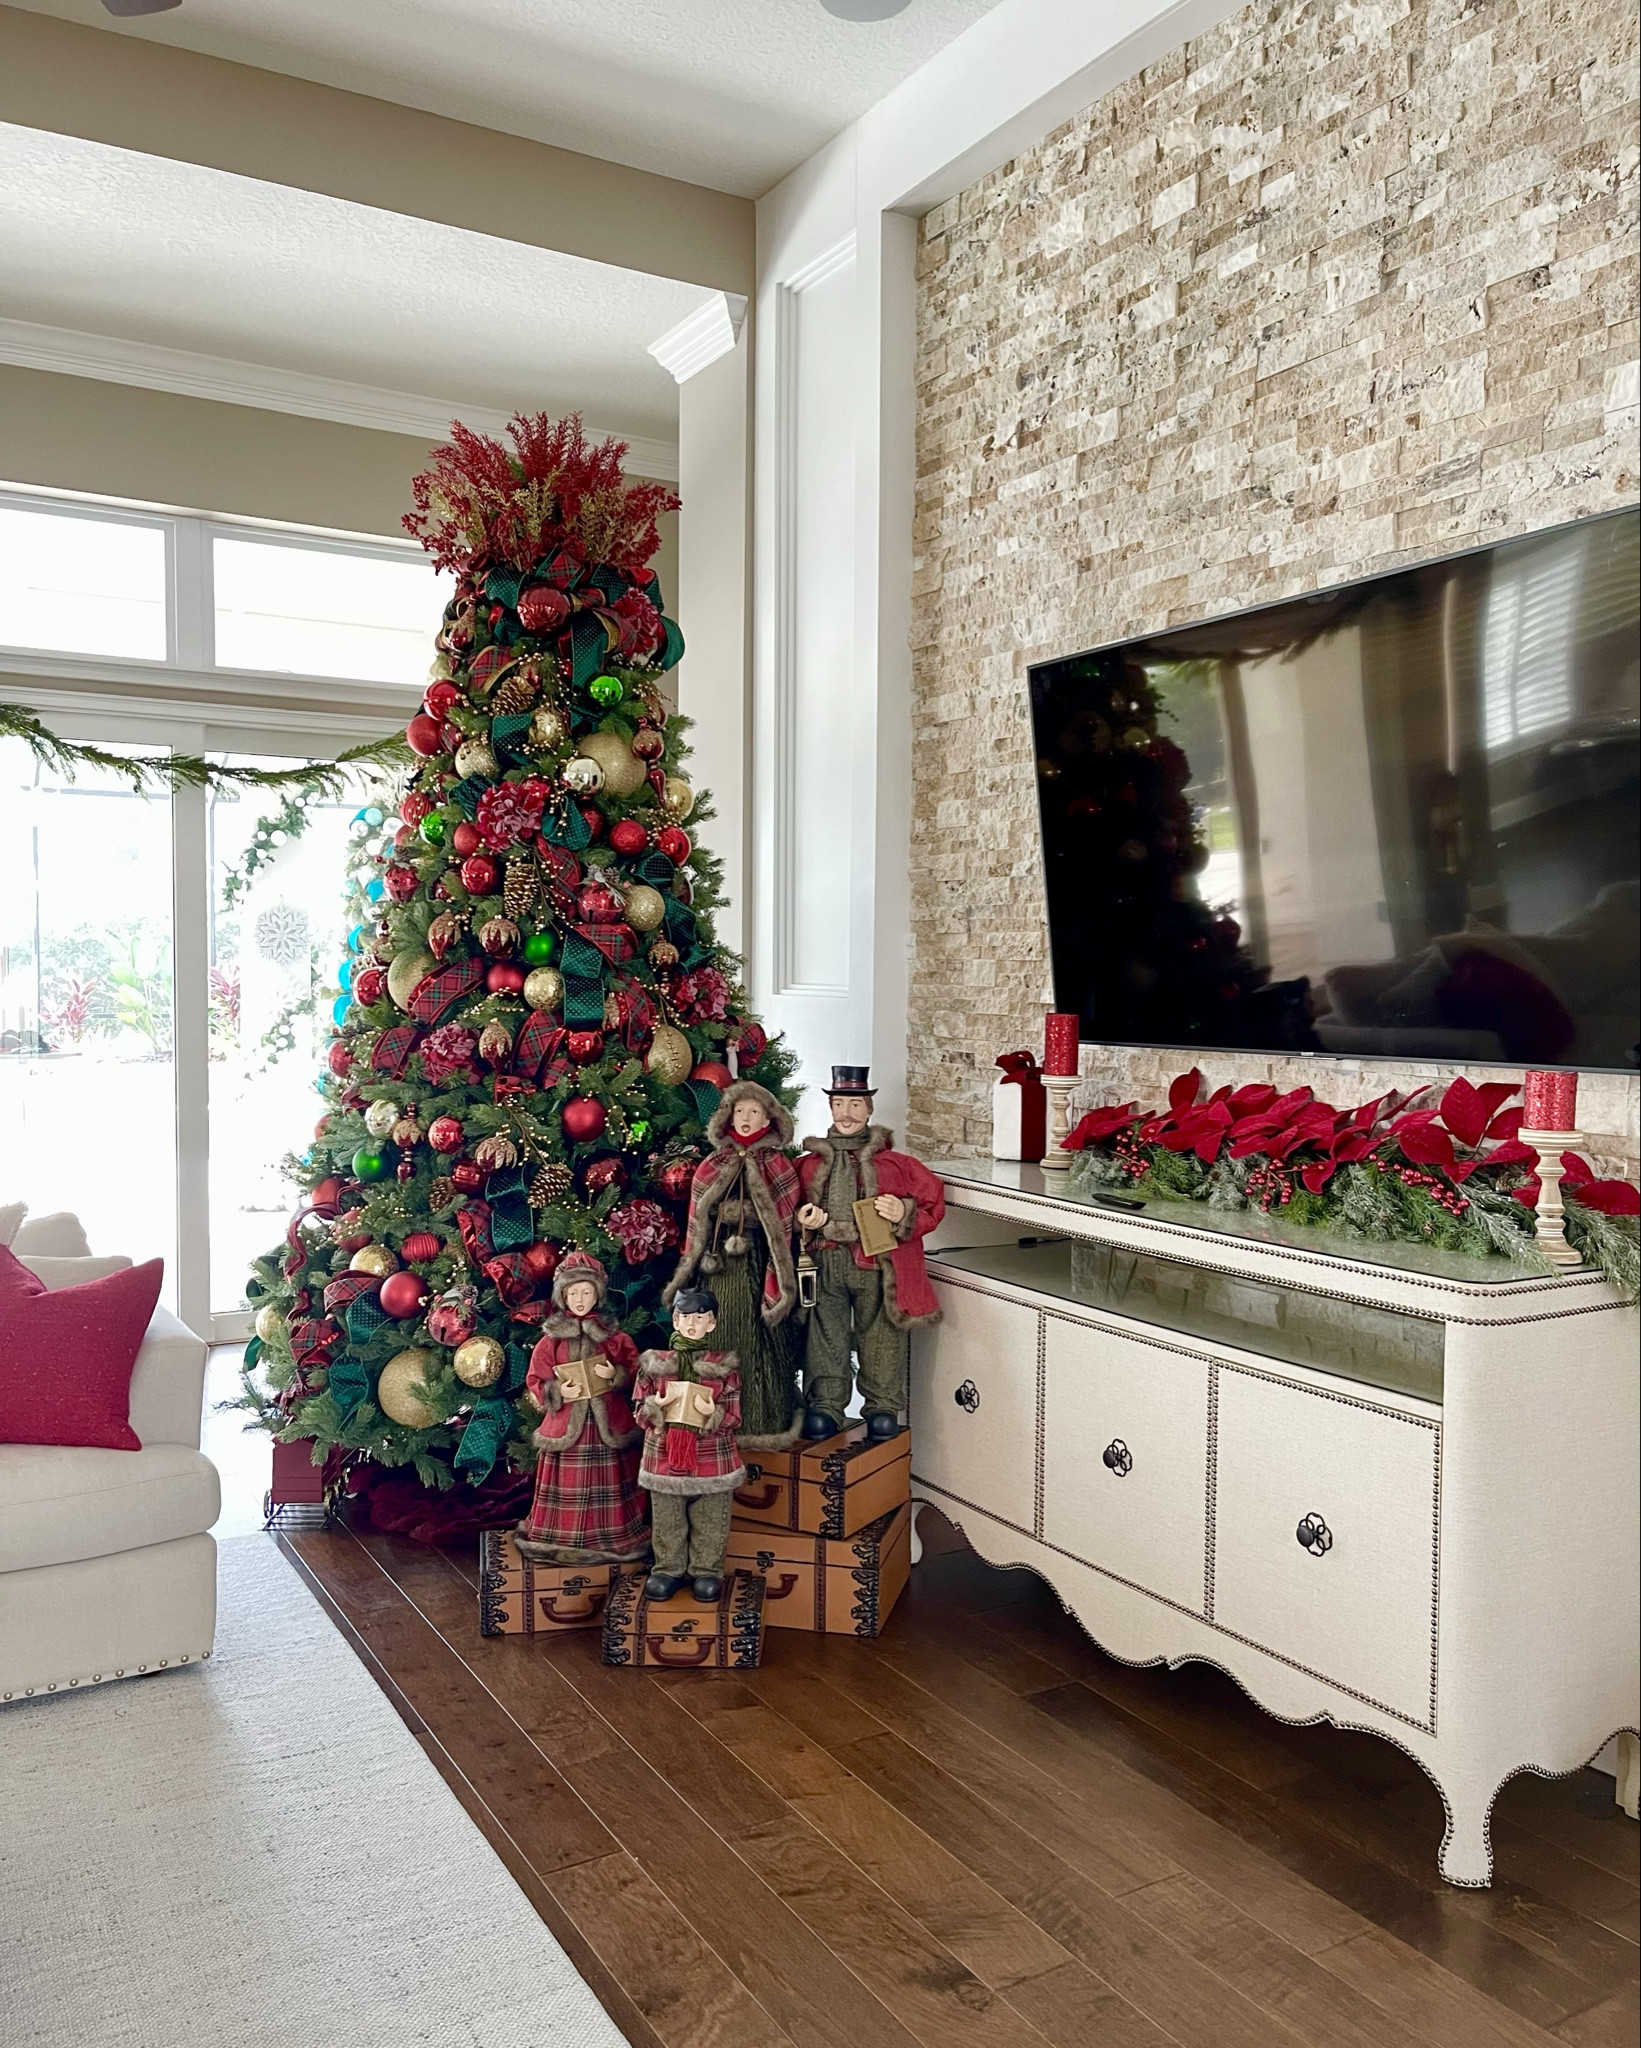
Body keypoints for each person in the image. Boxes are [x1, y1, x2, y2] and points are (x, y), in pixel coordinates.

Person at [795, 1065, 944, 1440]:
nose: (846, 1113)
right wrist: (803, 1218)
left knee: (881, 1336)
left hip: (875, 1266)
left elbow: (933, 1203)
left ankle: (881, 1406)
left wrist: (903, 1212)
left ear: (869, 1109)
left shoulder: (896, 1165)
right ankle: (826, 1405)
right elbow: (785, 1206)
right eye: (839, 1103)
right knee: (824, 1336)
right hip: (825, 1262)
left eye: (855, 1104)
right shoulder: (809, 1166)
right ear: (830, 1108)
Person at [665, 1079, 803, 1448]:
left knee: (759, 1335)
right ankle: (713, 1415)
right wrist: (719, 1217)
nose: (745, 1118)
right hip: (718, 1262)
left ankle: (760, 1419)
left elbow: (783, 1216)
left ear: (768, 1119)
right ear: (728, 1116)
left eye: (753, 1112)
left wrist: (749, 1215)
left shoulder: (777, 1164)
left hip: (758, 1260)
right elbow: (698, 1212)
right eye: (739, 1111)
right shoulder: (715, 1162)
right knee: (718, 1326)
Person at [515, 1251, 648, 1566]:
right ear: (562, 1296)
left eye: (586, 1292)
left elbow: (636, 1371)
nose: (579, 1299)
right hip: (567, 1427)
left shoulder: (614, 1337)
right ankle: (560, 1534)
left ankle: (612, 1533)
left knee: (609, 1481)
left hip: (607, 1426)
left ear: (597, 1295)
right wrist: (557, 1390)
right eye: (573, 1293)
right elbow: (536, 1378)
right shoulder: (552, 1341)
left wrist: (615, 1376)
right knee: (568, 1483)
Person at [634, 1288, 743, 1602]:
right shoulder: (655, 1365)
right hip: (665, 1458)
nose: (692, 1324)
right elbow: (640, 1411)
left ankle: (706, 1571)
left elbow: (735, 1415)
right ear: (675, 1321)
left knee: (711, 1518)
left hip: (711, 1460)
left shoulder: (724, 1367)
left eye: (700, 1318)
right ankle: (667, 1569)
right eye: (685, 1318)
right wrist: (657, 1406)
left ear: (712, 1324)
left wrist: (715, 1413)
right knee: (667, 1517)